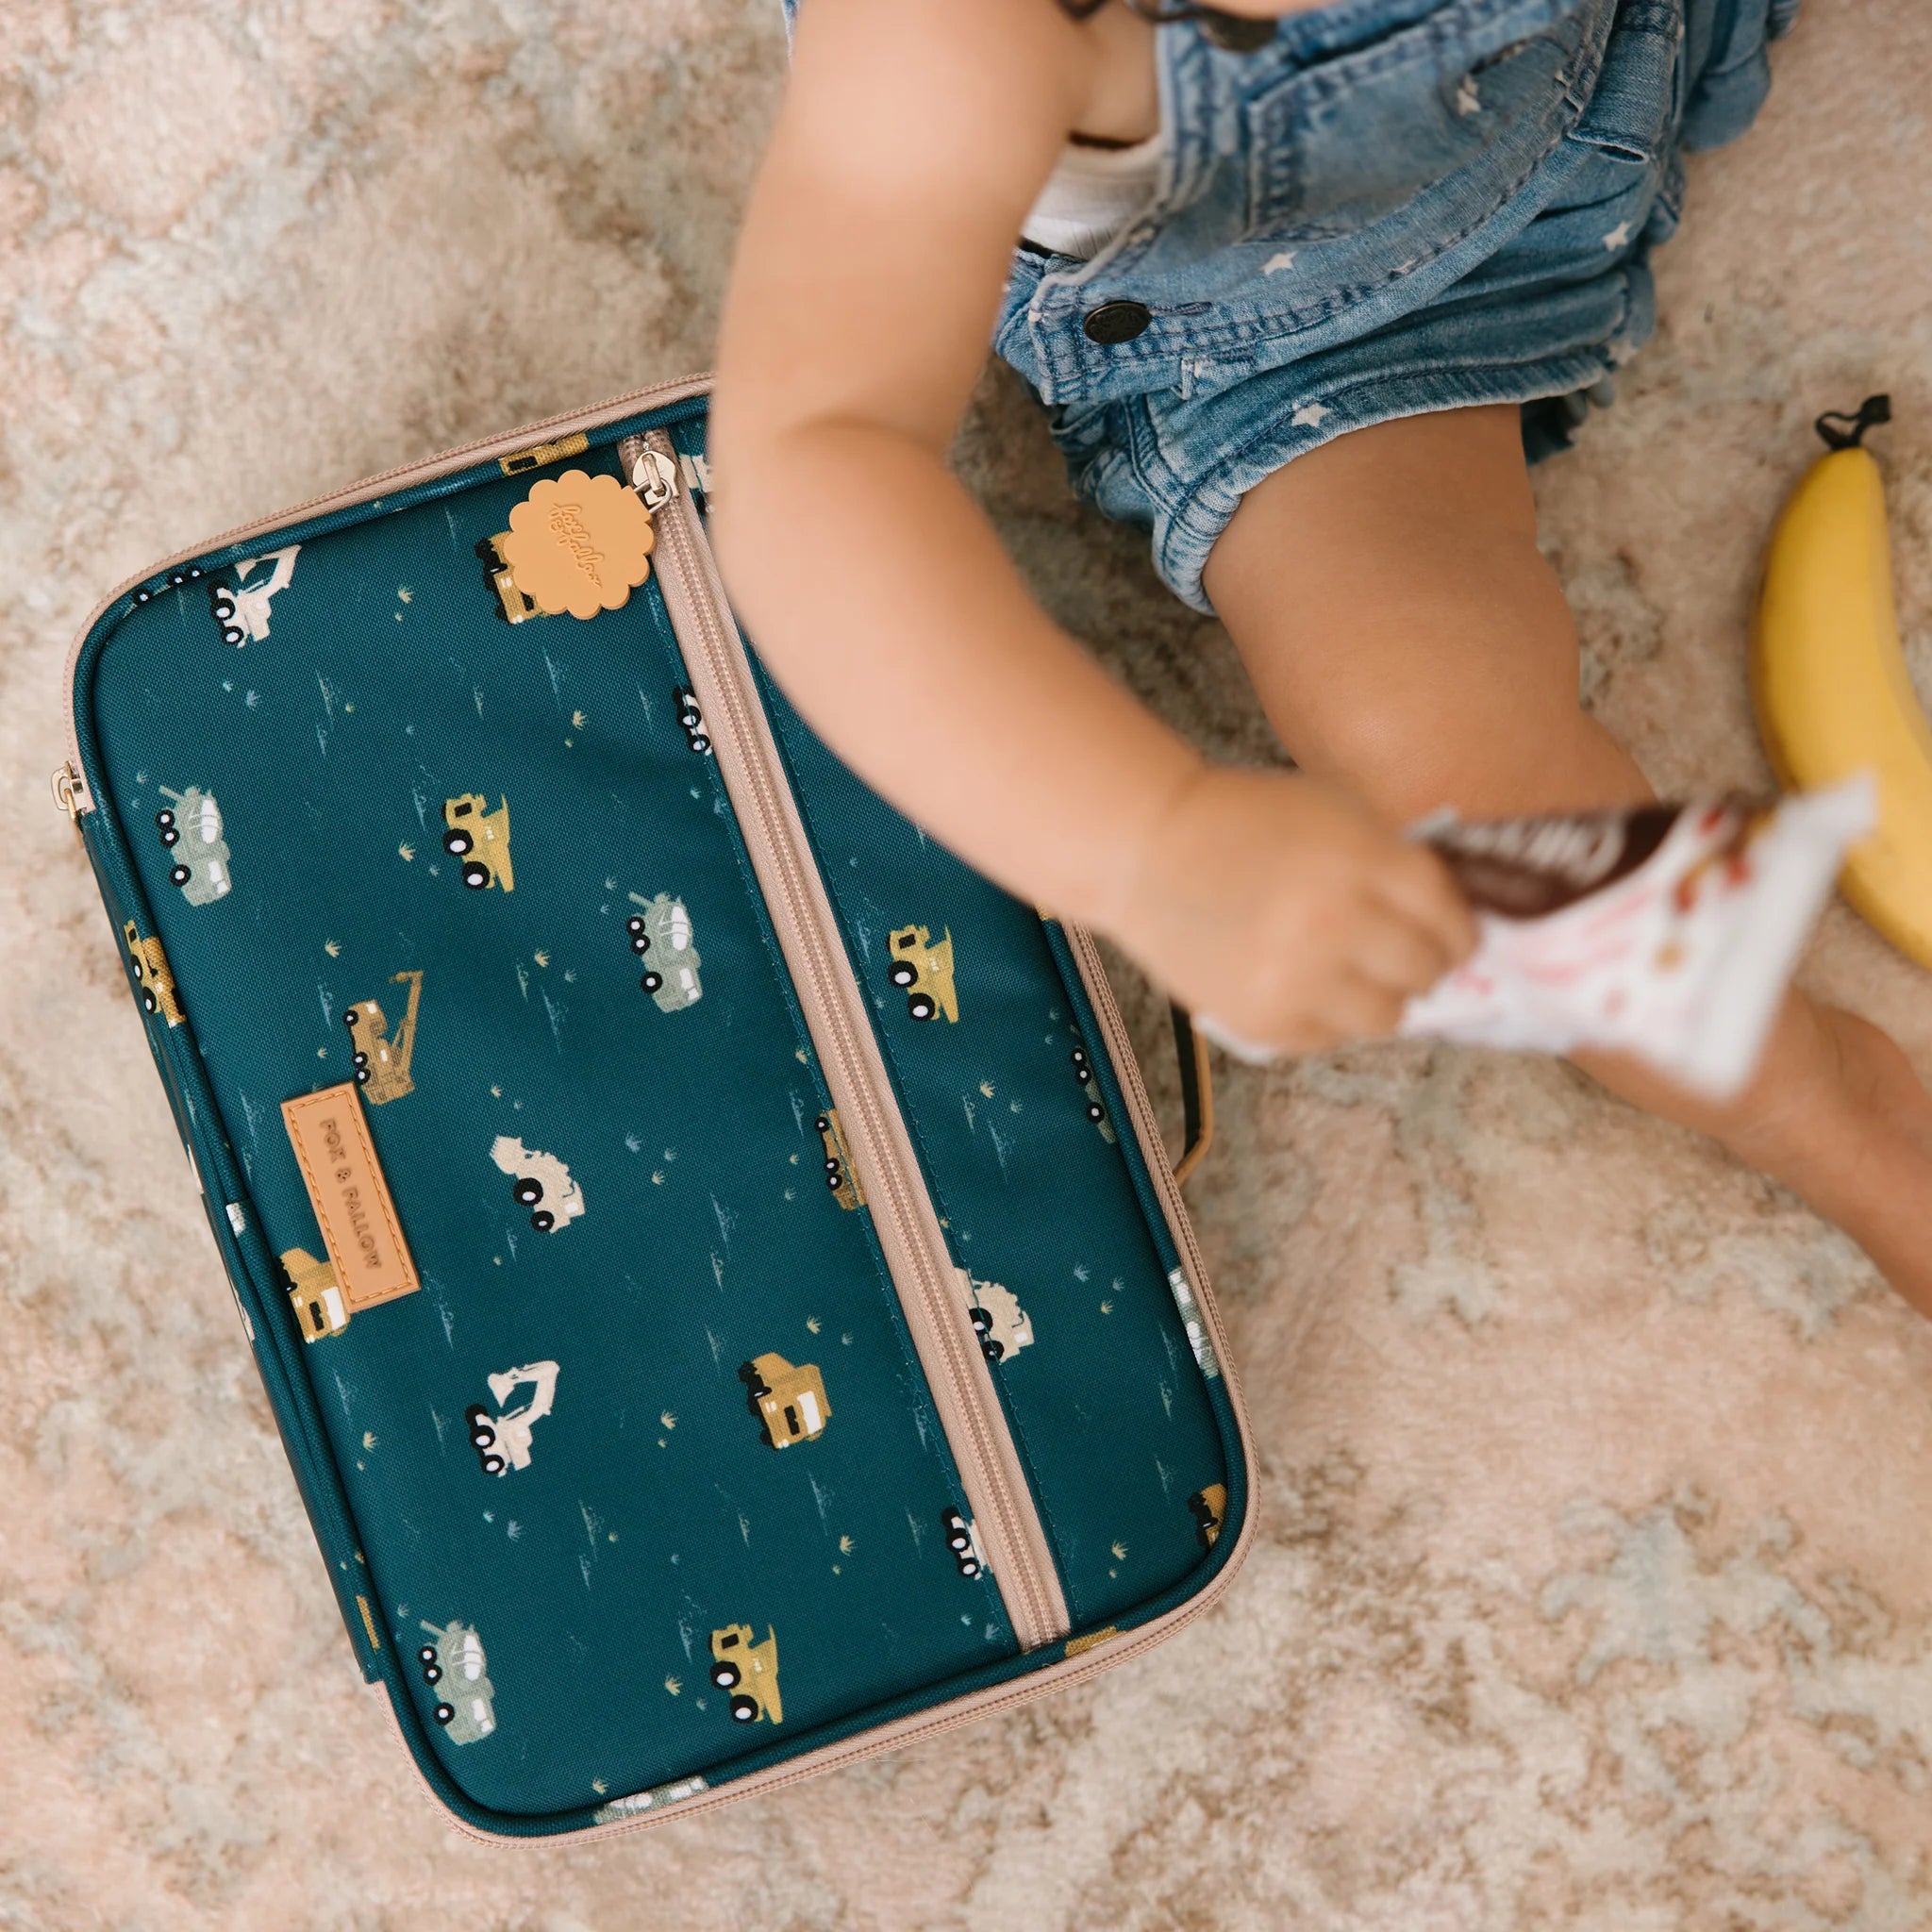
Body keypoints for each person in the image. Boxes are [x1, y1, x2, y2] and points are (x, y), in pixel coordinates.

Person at [709, 0, 1932, 1317]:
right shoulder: (950, 34)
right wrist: (1153, 845)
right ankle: (1827, 1108)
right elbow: (817, 459)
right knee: (1446, 754)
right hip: (1298, 341)